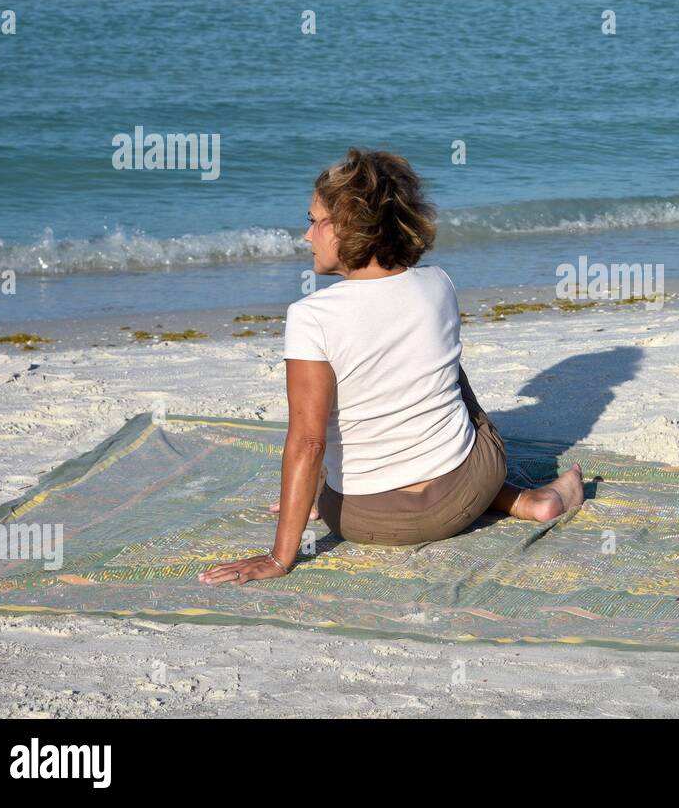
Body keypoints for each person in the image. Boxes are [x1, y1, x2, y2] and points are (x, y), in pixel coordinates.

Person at [199, 148, 583, 586]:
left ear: (345, 226)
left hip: (363, 519)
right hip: (467, 494)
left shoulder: (311, 315)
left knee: (328, 407)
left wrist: (279, 557)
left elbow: (308, 443)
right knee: (448, 379)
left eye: (312, 221)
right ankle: (525, 500)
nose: (307, 237)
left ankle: (309, 497)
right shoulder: (439, 284)